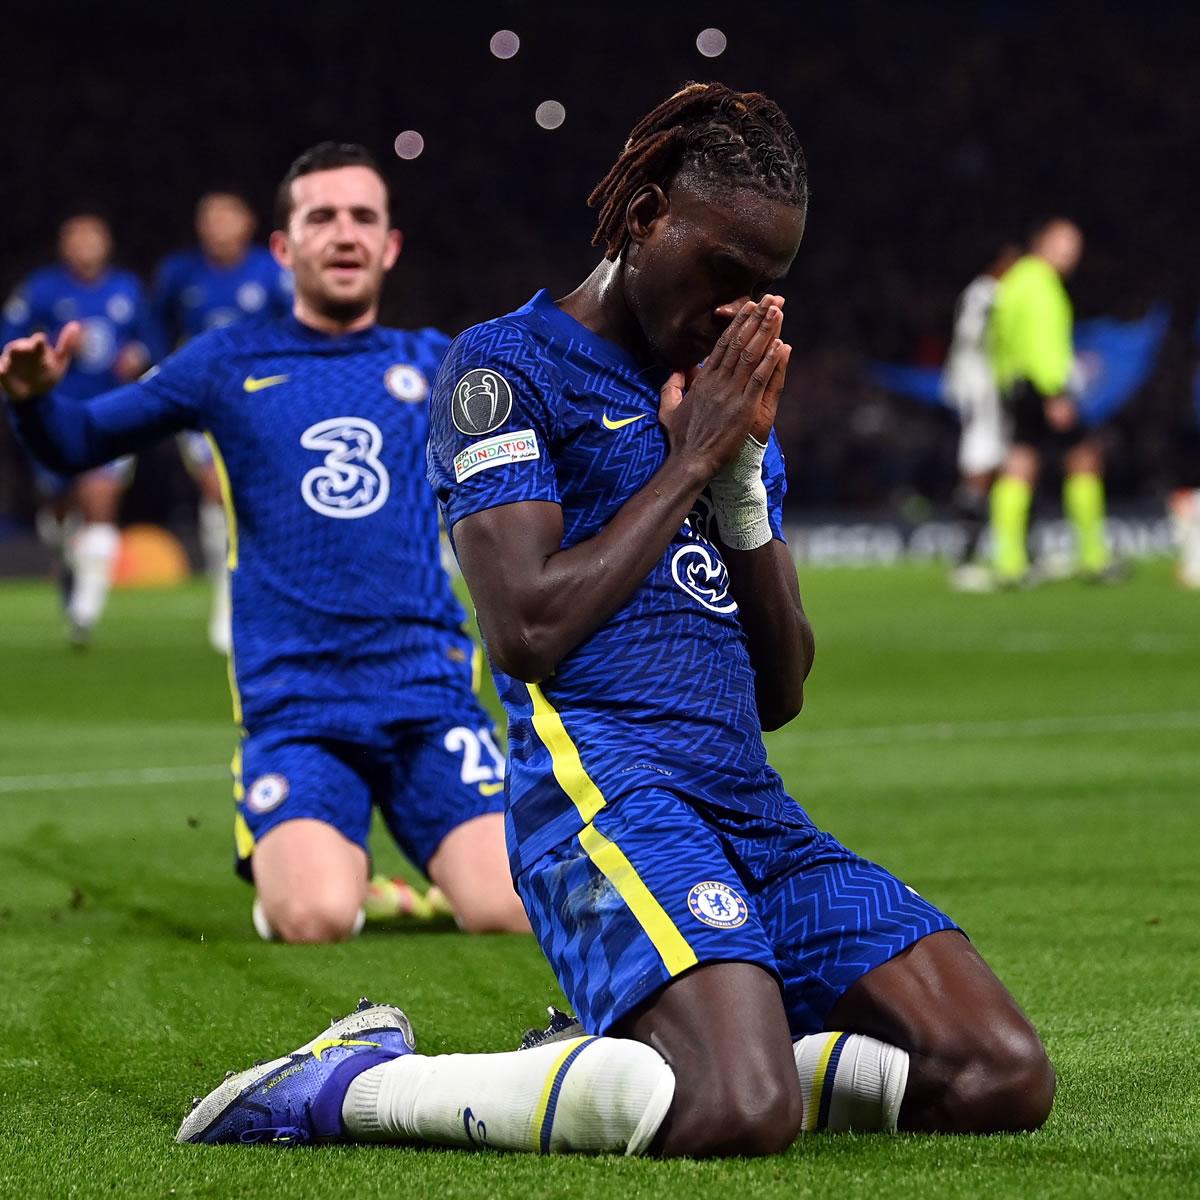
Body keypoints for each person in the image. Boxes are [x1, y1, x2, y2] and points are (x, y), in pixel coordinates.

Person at [175, 86, 1054, 1156]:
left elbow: (782, 690)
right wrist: (689, 461)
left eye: (767, 284)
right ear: (643, 217)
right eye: (723, 269)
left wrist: (737, 481)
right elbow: (526, 631)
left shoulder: (723, 397)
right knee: (740, 1111)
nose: (739, 308)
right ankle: (356, 1085)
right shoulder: (506, 369)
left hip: (749, 810)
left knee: (1001, 1076)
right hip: (601, 800)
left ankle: (623, 1064)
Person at [0, 143, 528, 942]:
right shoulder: (225, 362)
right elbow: (77, 441)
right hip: (299, 707)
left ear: (389, 245)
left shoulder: (439, 365)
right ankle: (319, 871)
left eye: (363, 217)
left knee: (508, 909)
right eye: (322, 217)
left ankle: (395, 873)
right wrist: (35, 402)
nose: (344, 233)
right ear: (283, 247)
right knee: (313, 917)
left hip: (428, 697)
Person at [150, 191, 294, 654]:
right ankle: (225, 597)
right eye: (210, 217)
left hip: (262, 401)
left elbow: (297, 325)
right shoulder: (179, 273)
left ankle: (266, 592)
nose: (218, 226)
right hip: (203, 399)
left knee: (260, 497)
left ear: (247, 223)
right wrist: (163, 368)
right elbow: (154, 325)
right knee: (216, 489)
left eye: (227, 216)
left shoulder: (271, 271)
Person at [0, 214, 151, 645]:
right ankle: (66, 556)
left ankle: (85, 612)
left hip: (112, 412)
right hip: (55, 413)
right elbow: (9, 342)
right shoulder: (41, 290)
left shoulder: (127, 289)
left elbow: (152, 341)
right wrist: (43, 354)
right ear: (63, 244)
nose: (85, 244)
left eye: (93, 236)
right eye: (76, 237)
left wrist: (138, 356)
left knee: (101, 499)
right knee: (59, 513)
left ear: (107, 243)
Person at [987, 218, 1116, 585]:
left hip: (1017, 382)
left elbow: (1002, 337)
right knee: (1084, 458)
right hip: (1043, 385)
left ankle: (1009, 561)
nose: (1070, 252)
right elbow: (1043, 342)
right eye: (1063, 242)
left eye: (1075, 244)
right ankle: (1093, 557)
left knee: (1020, 461)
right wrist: (1055, 391)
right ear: (1040, 241)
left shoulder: (1015, 279)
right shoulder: (1041, 283)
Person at [943, 245, 1019, 591]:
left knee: (1000, 468)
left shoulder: (982, 293)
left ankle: (1009, 552)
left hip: (985, 393)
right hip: (980, 393)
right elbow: (971, 338)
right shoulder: (987, 294)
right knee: (979, 467)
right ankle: (965, 559)